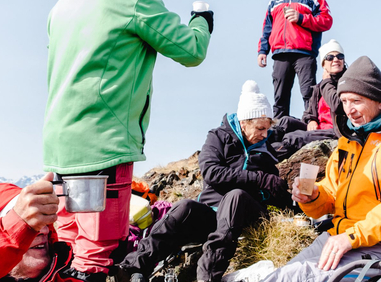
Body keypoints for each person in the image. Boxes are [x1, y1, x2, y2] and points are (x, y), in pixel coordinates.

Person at [43, 0, 212, 281]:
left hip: (59, 146)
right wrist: (202, 23)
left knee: (69, 247)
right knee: (96, 255)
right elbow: (190, 51)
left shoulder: (63, 3)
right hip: (103, 147)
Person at [261, 56, 381, 282]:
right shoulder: (349, 141)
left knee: (300, 277)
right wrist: (313, 196)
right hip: (340, 235)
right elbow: (332, 192)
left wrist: (355, 235)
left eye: (356, 100)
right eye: (345, 101)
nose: (349, 110)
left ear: (379, 100)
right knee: (280, 275)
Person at [118, 81, 290, 282]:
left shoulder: (266, 150)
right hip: (212, 215)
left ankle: (207, 275)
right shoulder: (218, 137)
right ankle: (133, 267)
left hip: (246, 214)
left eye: (267, 129)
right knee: (184, 207)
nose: (264, 134)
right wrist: (257, 178)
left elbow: (273, 189)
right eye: (261, 128)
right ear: (244, 123)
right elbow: (211, 172)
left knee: (235, 197)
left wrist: (285, 193)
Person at [257, 0, 333, 119]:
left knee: (309, 94)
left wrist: (302, 18)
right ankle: (279, 132)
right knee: (280, 97)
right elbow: (267, 27)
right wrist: (262, 50)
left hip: (304, 54)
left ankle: (314, 128)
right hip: (280, 53)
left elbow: (326, 21)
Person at [272, 39, 347, 158]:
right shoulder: (320, 86)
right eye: (330, 57)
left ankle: (265, 157)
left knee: (294, 138)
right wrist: (311, 120)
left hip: (336, 130)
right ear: (323, 64)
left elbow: (337, 105)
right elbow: (308, 113)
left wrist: (327, 82)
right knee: (284, 121)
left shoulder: (347, 82)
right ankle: (260, 143)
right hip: (319, 128)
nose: (336, 59)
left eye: (340, 56)